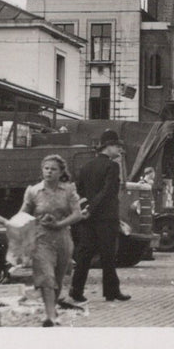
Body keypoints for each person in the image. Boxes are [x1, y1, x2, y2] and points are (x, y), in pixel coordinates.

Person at [0, 154, 87, 327]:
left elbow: (77, 214)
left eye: (53, 169)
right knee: (46, 277)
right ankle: (50, 316)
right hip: (40, 238)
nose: (49, 172)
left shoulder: (68, 190)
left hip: (62, 238)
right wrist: (13, 224)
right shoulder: (33, 191)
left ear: (60, 173)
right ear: (42, 170)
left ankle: (52, 307)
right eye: (46, 168)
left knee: (58, 279)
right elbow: (23, 213)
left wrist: (59, 223)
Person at [69, 129, 131, 304]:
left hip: (89, 219)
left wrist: (86, 207)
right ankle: (111, 292)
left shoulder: (86, 166)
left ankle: (76, 290)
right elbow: (108, 191)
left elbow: (79, 189)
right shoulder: (113, 166)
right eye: (117, 146)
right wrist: (93, 207)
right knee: (108, 255)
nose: (119, 150)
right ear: (108, 147)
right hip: (106, 218)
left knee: (84, 254)